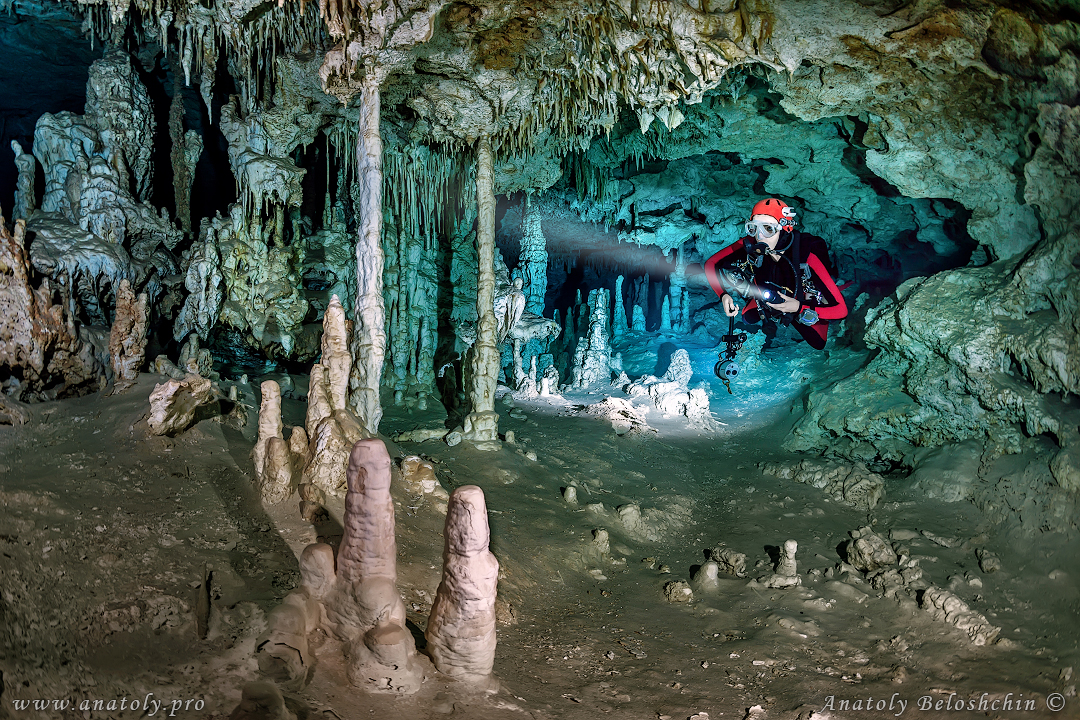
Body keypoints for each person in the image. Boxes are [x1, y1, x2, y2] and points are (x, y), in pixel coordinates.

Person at [704, 198, 847, 350]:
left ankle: (808, 314)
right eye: (754, 228)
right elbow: (711, 264)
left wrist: (798, 308)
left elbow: (841, 310)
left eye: (768, 228)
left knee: (818, 342)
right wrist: (723, 295)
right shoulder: (751, 244)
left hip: (799, 300)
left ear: (784, 228)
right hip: (768, 294)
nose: (760, 236)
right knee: (747, 318)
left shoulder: (807, 257)